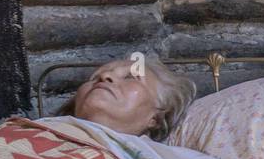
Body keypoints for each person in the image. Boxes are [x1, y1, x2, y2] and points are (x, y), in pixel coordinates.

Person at [59, 55, 196, 140]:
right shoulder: (41, 133)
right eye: (95, 77)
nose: (105, 76)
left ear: (155, 118)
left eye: (130, 77)